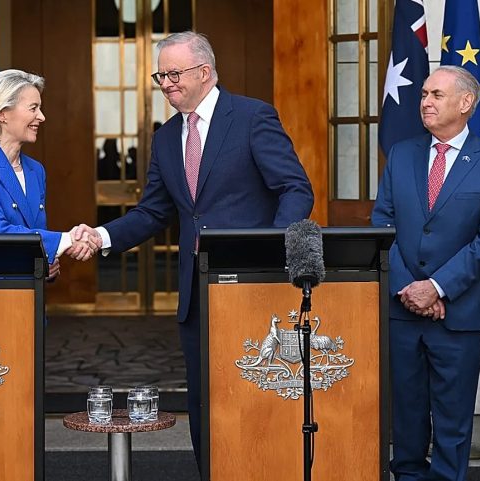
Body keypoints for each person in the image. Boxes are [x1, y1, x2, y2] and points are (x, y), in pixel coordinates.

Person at [71, 31, 314, 469]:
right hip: (197, 297)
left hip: (252, 289)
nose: (165, 84)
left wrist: (267, 252)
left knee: (256, 396)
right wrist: (100, 236)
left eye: (173, 74)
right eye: (160, 76)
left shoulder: (252, 117)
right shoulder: (166, 137)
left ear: (205, 72)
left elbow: (295, 189)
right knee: (205, 405)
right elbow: (153, 211)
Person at [371, 65, 480, 481]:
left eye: (436, 95)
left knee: (453, 420)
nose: (425, 102)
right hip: (402, 310)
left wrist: (436, 288)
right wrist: (408, 287)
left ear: (466, 103)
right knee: (406, 415)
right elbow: (382, 225)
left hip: (459, 313)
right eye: (423, 95)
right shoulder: (402, 154)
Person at [0, 69, 96, 271]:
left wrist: (45, 266)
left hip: (27, 287)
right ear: (2, 113)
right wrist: (66, 240)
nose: (42, 117)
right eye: (33, 108)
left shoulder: (35, 170)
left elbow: (35, 235)